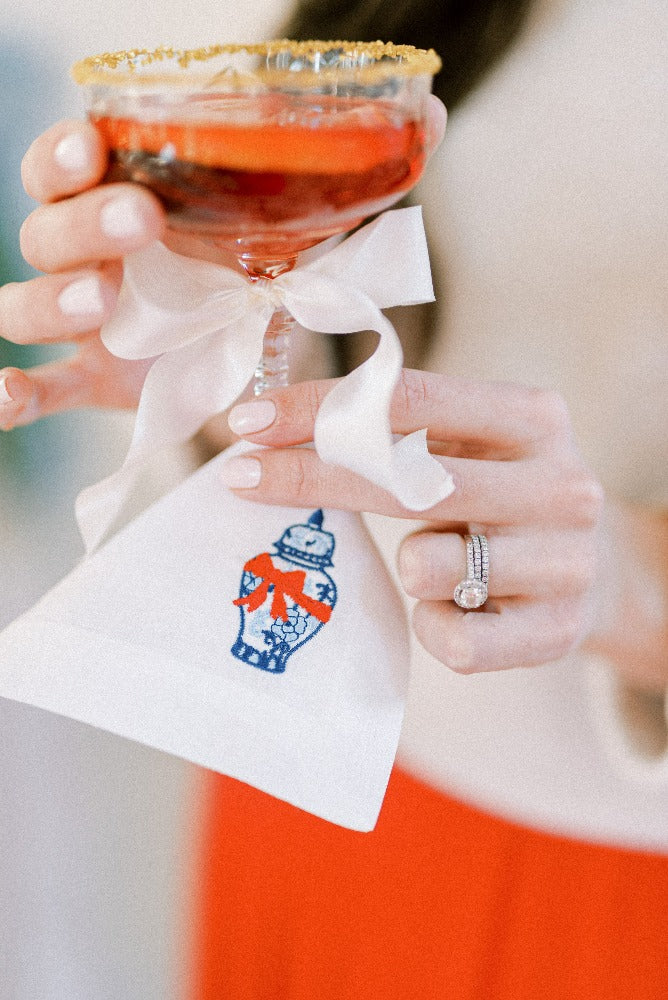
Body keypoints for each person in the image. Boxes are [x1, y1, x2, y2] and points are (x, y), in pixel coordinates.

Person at [0, 0, 666, 997]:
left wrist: (631, 589)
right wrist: (224, 354)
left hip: (606, 894)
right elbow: (350, 334)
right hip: (314, 777)